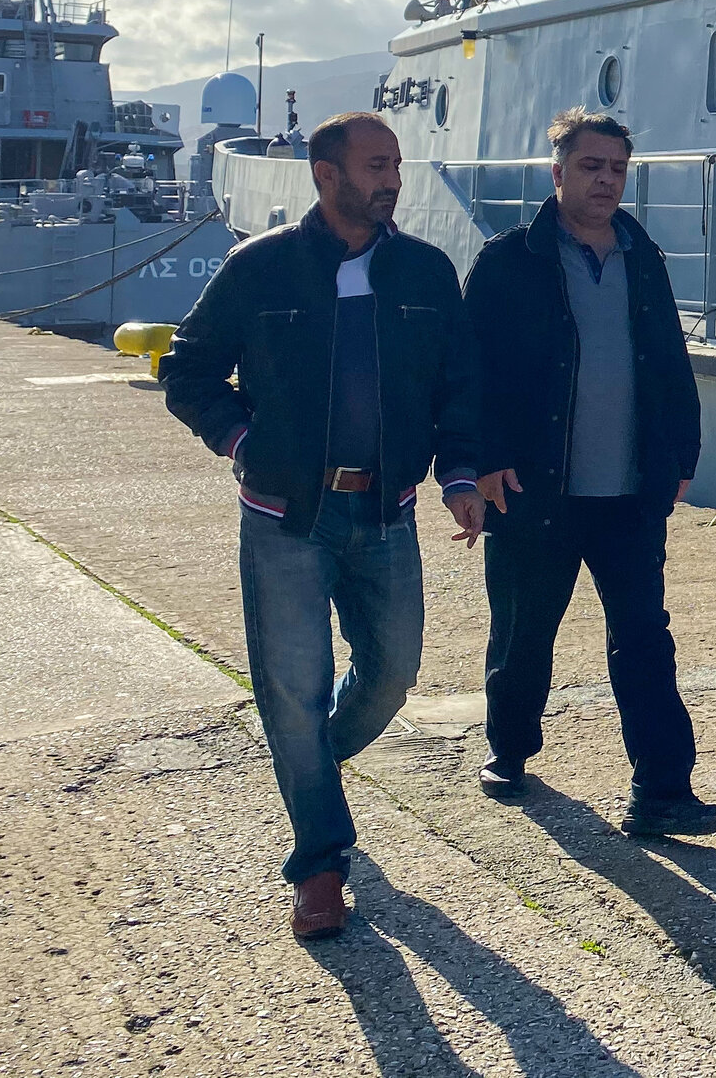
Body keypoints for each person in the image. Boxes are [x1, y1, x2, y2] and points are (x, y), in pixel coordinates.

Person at [164, 111, 484, 941]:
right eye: (376, 164)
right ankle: (319, 862)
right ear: (325, 172)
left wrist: (457, 474)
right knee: (290, 691)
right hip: (285, 518)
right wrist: (244, 441)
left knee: (393, 674)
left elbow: (458, 386)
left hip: (388, 512)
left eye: (397, 165)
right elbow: (188, 367)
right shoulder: (258, 269)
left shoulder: (423, 271)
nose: (392, 180)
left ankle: (313, 769)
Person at [462, 109, 716, 838]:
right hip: (534, 487)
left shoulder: (645, 256)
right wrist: (480, 461)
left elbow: (670, 362)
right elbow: (468, 370)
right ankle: (510, 749)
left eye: (616, 168)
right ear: (558, 173)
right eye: (591, 166)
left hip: (630, 492)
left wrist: (682, 455)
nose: (605, 179)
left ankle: (662, 788)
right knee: (523, 630)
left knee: (643, 636)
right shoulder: (509, 259)